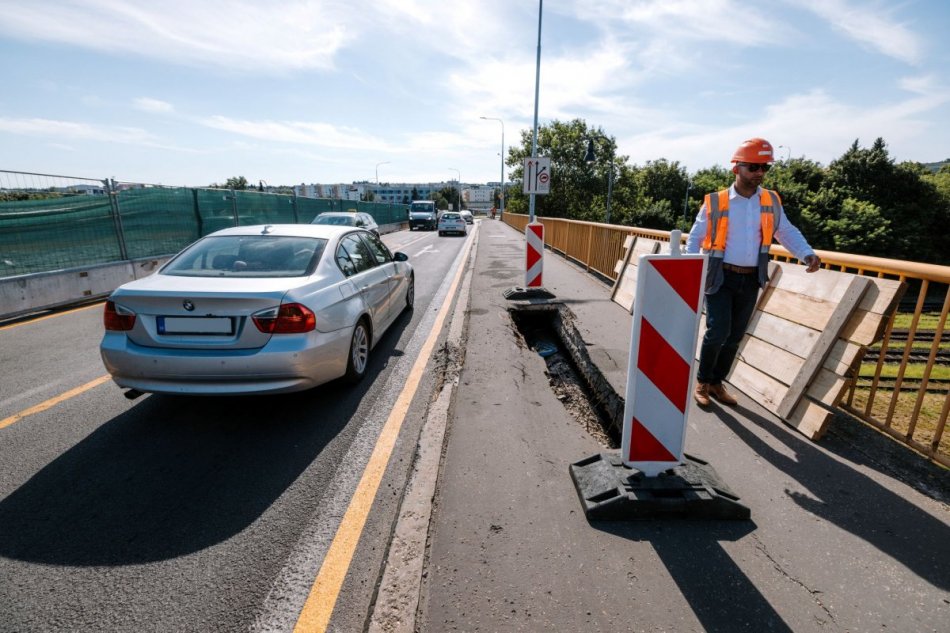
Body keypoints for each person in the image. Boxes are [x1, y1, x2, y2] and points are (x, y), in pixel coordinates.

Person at [685, 137, 821, 407]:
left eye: (764, 167)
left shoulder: (770, 200)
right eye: (754, 167)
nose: (760, 172)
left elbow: (785, 231)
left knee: (735, 336)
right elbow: (695, 238)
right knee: (718, 331)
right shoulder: (715, 202)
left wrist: (806, 253)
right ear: (736, 168)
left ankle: (716, 382)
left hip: (750, 277)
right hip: (719, 276)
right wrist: (689, 272)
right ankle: (702, 381)